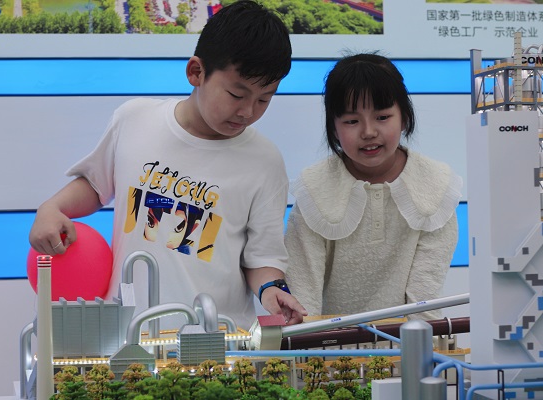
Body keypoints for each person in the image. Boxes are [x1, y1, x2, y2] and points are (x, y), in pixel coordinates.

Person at [28, 0, 307, 330]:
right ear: (196, 72)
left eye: (264, 99)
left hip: (215, 339)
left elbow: (262, 258)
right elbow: (95, 184)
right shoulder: (134, 119)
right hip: (129, 334)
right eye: (236, 94)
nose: (248, 111)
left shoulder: (265, 161)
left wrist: (272, 289)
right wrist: (51, 208)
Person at [284, 53, 462, 321]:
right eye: (351, 121)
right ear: (334, 128)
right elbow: (302, 295)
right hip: (330, 342)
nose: (368, 132)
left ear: (404, 117)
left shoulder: (436, 188)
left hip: (410, 341)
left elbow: (424, 299)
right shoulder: (314, 190)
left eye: (382, 117)